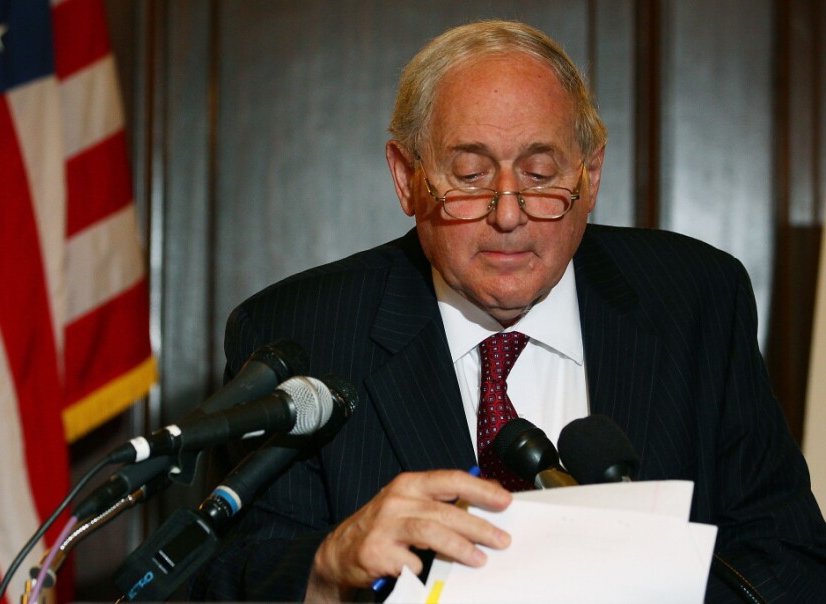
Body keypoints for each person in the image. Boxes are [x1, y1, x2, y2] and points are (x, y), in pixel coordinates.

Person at [190, 20, 826, 603]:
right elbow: (230, 574)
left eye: (541, 172)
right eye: (469, 175)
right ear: (407, 178)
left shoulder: (696, 300)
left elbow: (789, 555)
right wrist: (330, 564)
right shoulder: (301, 331)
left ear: (593, 173)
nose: (509, 212)